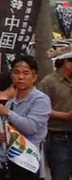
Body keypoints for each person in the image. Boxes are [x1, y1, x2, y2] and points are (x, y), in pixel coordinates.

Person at [0, 55, 51, 180]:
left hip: (27, 163)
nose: (21, 77)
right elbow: (8, 131)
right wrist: (1, 136)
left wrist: (8, 113)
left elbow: (30, 127)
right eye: (16, 72)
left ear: (34, 77)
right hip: (5, 162)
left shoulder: (41, 100)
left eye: (26, 73)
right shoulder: (10, 102)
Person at [38, 51, 72, 180]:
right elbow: (41, 110)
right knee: (61, 175)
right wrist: (66, 116)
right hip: (59, 139)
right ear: (66, 63)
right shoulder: (48, 83)